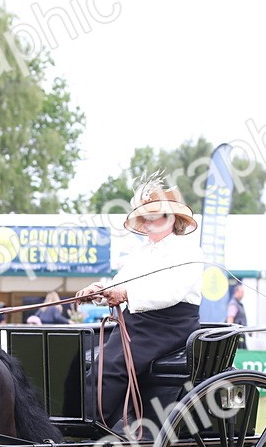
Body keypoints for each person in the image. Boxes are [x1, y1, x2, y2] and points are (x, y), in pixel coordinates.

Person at [76, 180, 202, 432]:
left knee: (110, 367)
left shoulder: (188, 251)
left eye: (152, 217)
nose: (146, 223)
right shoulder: (142, 253)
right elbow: (120, 283)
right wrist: (98, 291)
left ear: (170, 218)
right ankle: (97, 420)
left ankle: (88, 427)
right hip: (137, 324)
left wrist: (126, 294)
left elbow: (171, 292)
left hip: (169, 325)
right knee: (86, 356)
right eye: (144, 218)